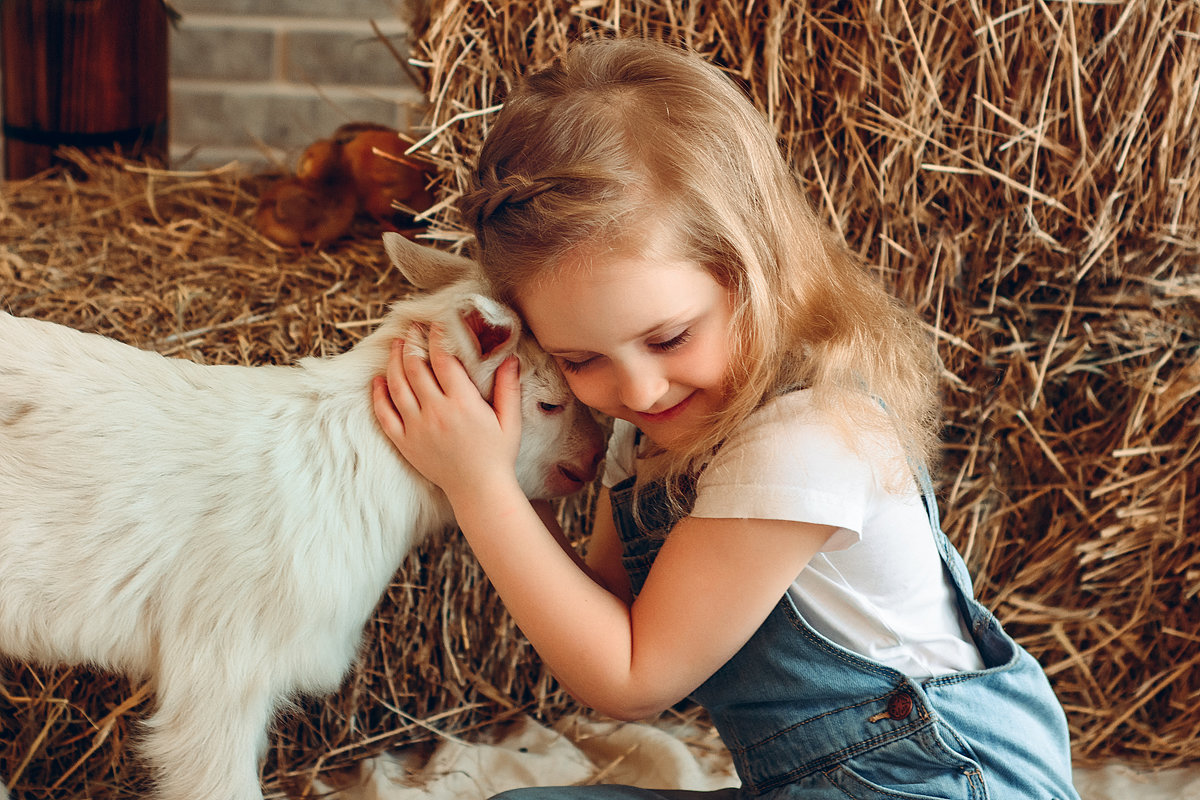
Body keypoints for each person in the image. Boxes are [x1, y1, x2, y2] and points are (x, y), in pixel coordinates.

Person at [371, 36, 1079, 800]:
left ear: (756, 269)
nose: (637, 390)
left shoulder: (803, 442)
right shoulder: (654, 429)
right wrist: (508, 463)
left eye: (669, 337)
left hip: (935, 784)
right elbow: (609, 614)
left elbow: (633, 679)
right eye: (580, 361)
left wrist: (480, 487)